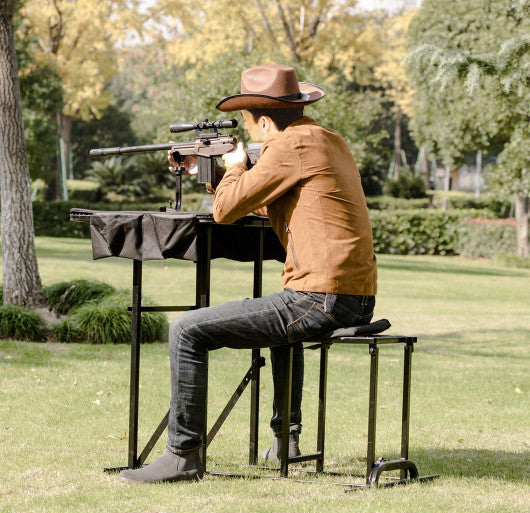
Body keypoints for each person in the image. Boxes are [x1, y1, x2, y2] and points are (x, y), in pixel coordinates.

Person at [119, 64, 377, 484]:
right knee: (281, 327)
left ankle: (182, 456)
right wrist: (215, 174)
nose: (248, 130)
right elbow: (261, 202)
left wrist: (236, 164)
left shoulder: (287, 146)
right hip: (351, 296)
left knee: (186, 330)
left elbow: (223, 213)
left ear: (264, 120)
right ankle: (285, 440)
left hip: (320, 298)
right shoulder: (324, 141)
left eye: (247, 122)